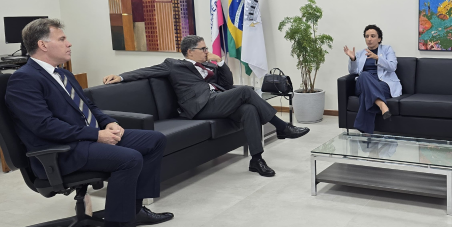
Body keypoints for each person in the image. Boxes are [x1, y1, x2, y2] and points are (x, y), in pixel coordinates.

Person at [6, 19, 173, 227]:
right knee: (130, 158)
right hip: (61, 151)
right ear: (43, 45)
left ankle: (134, 211)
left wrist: (109, 123)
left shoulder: (63, 74)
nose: (69, 43)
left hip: (84, 139)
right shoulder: (24, 79)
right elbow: (44, 126)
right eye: (62, 39)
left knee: (154, 140)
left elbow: (90, 106)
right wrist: (97, 135)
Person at [102, 35, 309, 178]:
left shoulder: (208, 65)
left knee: (249, 109)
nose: (207, 51)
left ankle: (257, 160)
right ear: (190, 52)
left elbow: (227, 85)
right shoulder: (173, 65)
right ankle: (282, 128)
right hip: (199, 107)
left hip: (216, 100)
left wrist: (219, 63)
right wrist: (120, 76)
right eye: (203, 49)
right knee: (246, 91)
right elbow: (146, 71)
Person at [343, 24, 401, 134]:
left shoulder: (387, 49)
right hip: (363, 83)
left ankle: (365, 131)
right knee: (364, 75)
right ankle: (382, 105)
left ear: (379, 38)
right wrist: (353, 59)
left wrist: (378, 58)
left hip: (382, 84)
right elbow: (353, 72)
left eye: (373, 36)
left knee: (366, 94)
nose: (369, 39)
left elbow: (393, 67)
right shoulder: (360, 53)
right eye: (367, 36)